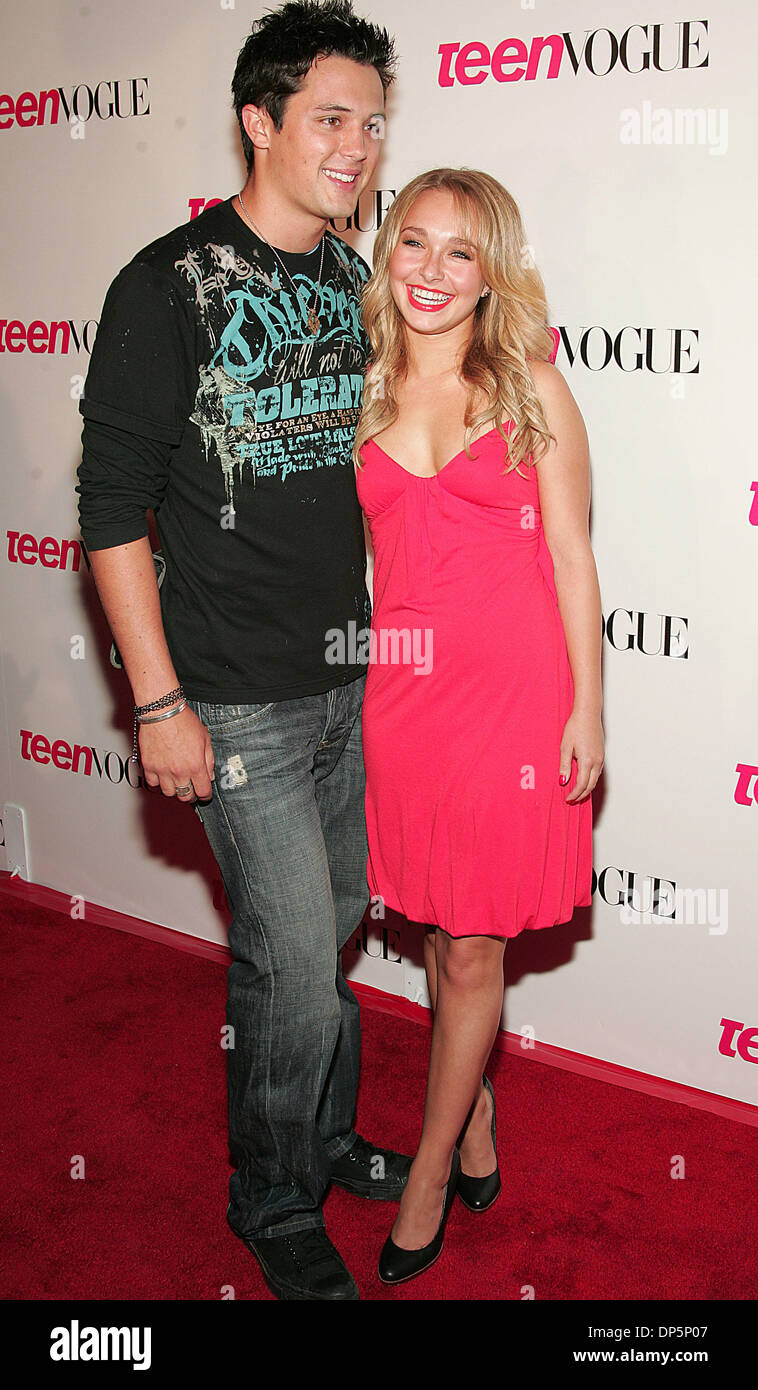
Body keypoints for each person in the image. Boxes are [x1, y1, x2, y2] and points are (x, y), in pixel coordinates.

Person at [75, 1, 408, 1303]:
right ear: (258, 121)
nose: (357, 147)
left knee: (321, 944)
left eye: (373, 124)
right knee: (287, 969)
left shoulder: (350, 275)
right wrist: (156, 701)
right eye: (330, 118)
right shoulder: (163, 285)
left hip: (347, 672)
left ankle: (319, 1140)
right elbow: (107, 515)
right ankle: (271, 1197)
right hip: (233, 696)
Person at [353, 167, 604, 1284]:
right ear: (387, 254)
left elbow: (569, 557)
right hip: (401, 700)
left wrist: (588, 706)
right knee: (434, 931)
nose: (432, 271)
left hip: (510, 703)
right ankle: (477, 1106)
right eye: (414, 243)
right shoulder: (360, 388)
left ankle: (426, 1167)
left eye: (460, 252)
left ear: (490, 270)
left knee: (474, 948)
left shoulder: (530, 390)